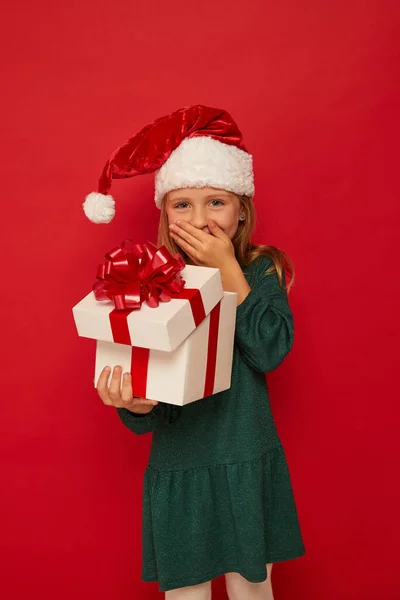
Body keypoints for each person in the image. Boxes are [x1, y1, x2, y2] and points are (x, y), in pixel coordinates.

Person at [84, 105, 306, 599]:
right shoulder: (150, 280)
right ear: (164, 211)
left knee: (253, 590)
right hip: (180, 467)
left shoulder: (261, 272)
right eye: (183, 204)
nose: (201, 219)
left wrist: (227, 267)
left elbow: (269, 350)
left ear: (242, 207)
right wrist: (134, 403)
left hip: (245, 460)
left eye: (216, 202)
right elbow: (148, 398)